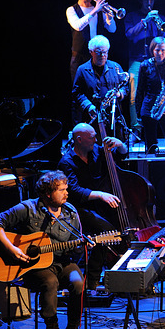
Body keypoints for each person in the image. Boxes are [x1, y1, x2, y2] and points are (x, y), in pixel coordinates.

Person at [0, 171, 86, 329]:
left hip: (62, 262)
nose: (67, 193)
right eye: (61, 190)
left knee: (78, 282)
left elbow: (76, 249)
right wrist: (11, 249)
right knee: (50, 282)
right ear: (48, 193)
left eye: (66, 189)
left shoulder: (70, 213)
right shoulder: (28, 208)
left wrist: (81, 246)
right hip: (34, 266)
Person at [57, 123, 127, 288]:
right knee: (106, 232)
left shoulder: (96, 151)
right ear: (79, 140)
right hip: (77, 209)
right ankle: (93, 278)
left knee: (119, 228)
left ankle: (118, 272)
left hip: (99, 206)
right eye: (93, 137)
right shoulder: (66, 162)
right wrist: (100, 194)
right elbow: (74, 191)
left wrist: (121, 145)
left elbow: (121, 156)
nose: (97, 139)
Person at [124, 0, 165, 132]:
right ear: (141, 0)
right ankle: (136, 129)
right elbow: (129, 34)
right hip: (137, 60)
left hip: (155, 62)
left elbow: (164, 39)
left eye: (152, 0)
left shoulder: (160, 18)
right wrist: (144, 22)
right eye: (146, 0)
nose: (149, 3)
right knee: (134, 95)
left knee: (158, 94)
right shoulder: (132, 16)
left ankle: (156, 128)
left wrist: (158, 26)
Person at [71, 35, 130, 133]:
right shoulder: (82, 69)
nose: (102, 55)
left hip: (113, 117)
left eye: (105, 52)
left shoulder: (116, 67)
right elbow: (77, 93)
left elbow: (125, 87)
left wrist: (119, 94)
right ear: (91, 52)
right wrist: (88, 106)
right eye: (99, 52)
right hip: (92, 117)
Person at [66, 0, 117, 85]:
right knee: (79, 89)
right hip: (79, 56)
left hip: (98, 55)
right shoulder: (71, 10)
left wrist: (108, 15)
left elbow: (112, 29)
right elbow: (78, 26)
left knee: (99, 87)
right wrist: (95, 10)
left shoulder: (98, 9)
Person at [136, 36, 165, 154]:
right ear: (152, 50)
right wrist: (138, 112)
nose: (160, 53)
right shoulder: (145, 65)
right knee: (151, 144)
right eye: (157, 50)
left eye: (163, 50)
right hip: (150, 105)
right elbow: (140, 90)